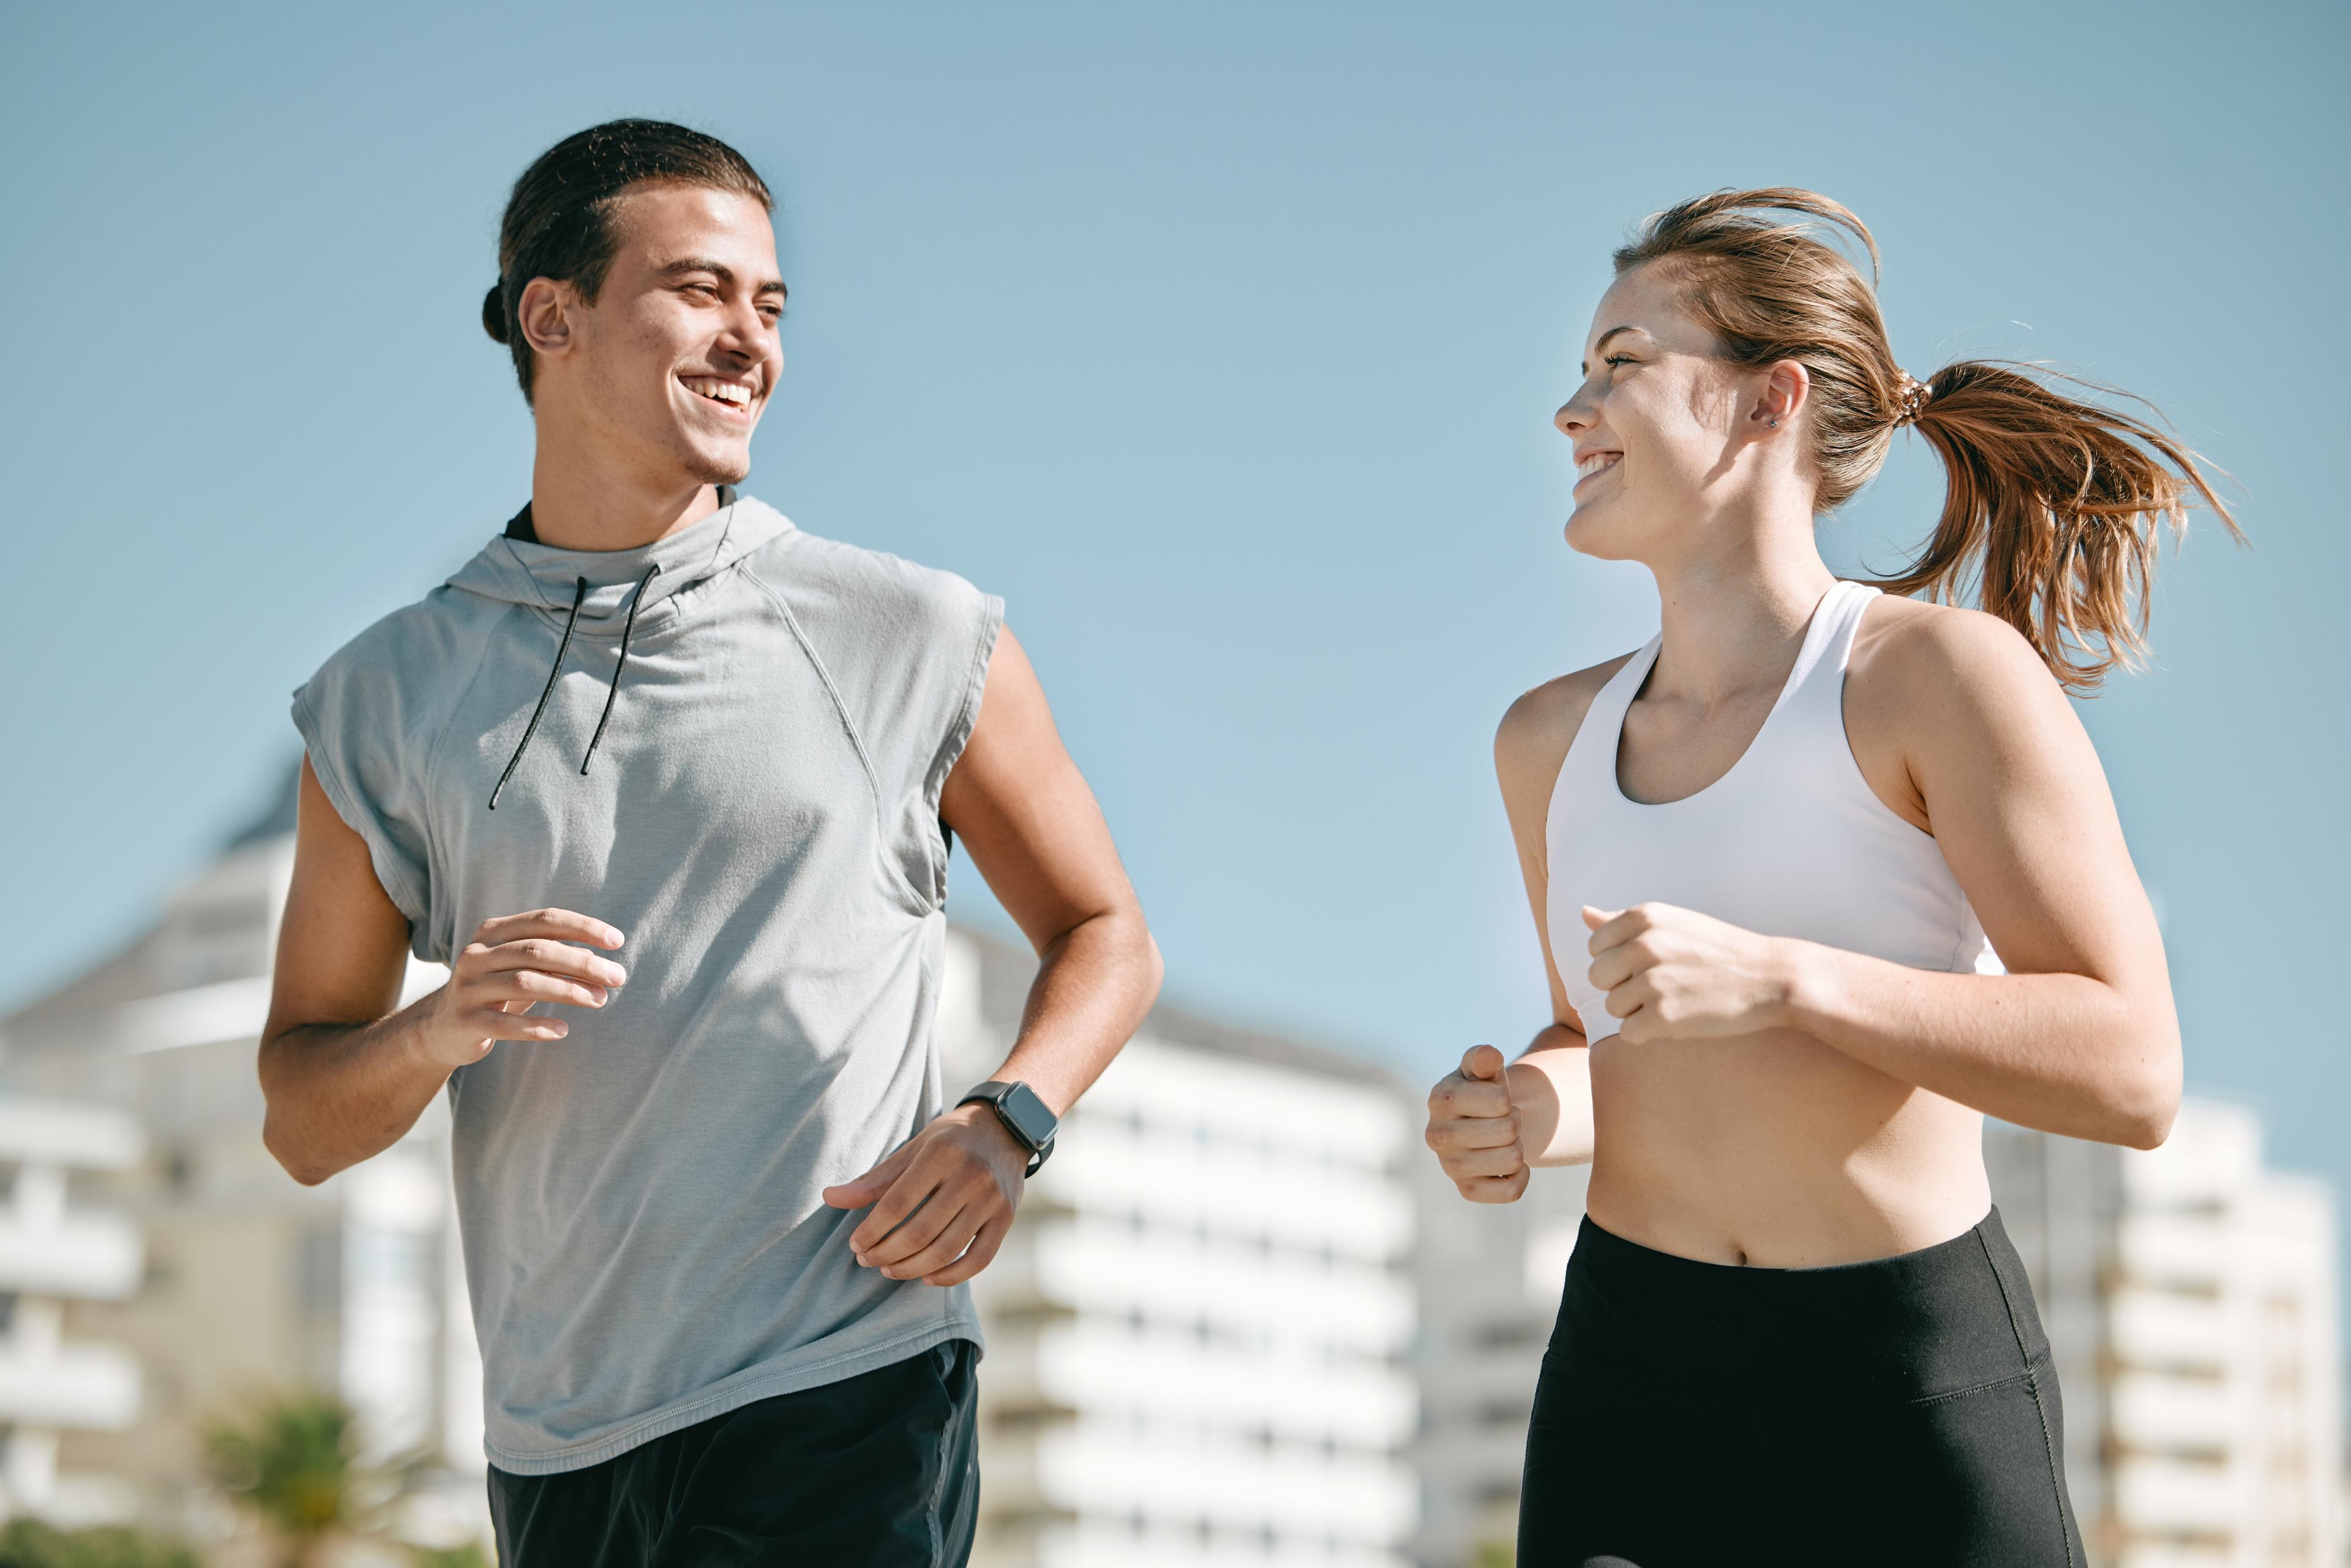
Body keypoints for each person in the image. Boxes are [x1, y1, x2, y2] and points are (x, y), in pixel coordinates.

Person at [257, 119, 1161, 1567]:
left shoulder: (913, 631)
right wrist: (440, 1030)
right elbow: (301, 1115)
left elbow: (1107, 933)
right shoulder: (385, 697)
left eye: (773, 304)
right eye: (701, 290)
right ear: (553, 318)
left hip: (844, 1380)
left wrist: (1011, 1119)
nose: (753, 341)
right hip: (555, 1437)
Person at [1423, 189, 2235, 1567]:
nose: (1573, 407)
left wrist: (1783, 978)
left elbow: (2133, 1069)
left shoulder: (1936, 678)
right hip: (1630, 1384)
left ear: (1766, 404)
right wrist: (1520, 1108)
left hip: (1908, 1381)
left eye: (1622, 362)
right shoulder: (1542, 739)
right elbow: (1605, 1039)